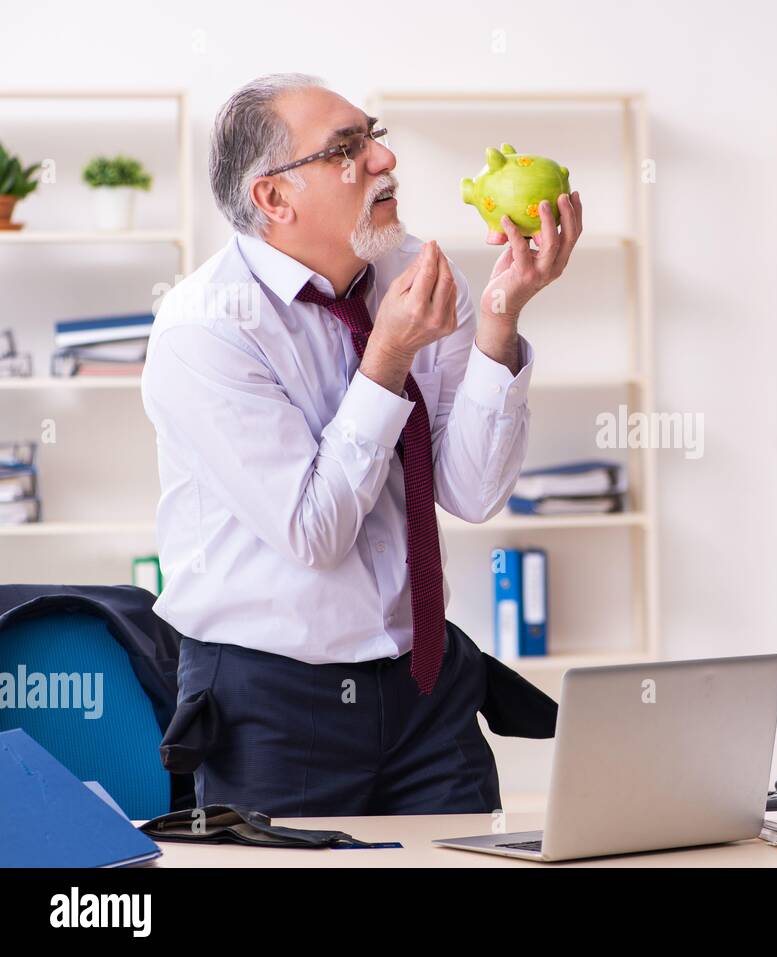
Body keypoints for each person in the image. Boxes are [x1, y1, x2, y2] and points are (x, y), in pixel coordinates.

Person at [140, 73, 582, 816]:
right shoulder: (206, 327)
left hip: (426, 684)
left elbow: (472, 492)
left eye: (373, 135)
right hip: (271, 701)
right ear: (273, 198)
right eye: (345, 149)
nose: (383, 159)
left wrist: (501, 319)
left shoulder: (414, 272)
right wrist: (389, 357)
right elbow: (314, 532)